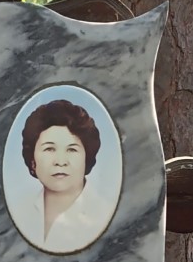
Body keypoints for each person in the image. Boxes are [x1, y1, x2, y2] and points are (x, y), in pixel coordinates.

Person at [11, 98, 117, 253]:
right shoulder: (19, 213)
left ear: (87, 158)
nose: (60, 162)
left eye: (72, 150)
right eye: (49, 149)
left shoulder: (105, 216)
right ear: (32, 160)